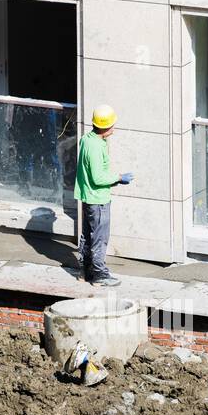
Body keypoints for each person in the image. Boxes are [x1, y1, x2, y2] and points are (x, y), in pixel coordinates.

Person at [73, 104, 133, 287]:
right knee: (99, 237)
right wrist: (119, 178)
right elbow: (98, 177)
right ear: (106, 127)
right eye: (113, 125)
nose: (114, 128)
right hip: (98, 199)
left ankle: (85, 270)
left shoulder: (86, 140)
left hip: (88, 196)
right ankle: (100, 275)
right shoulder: (97, 147)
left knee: (88, 235)